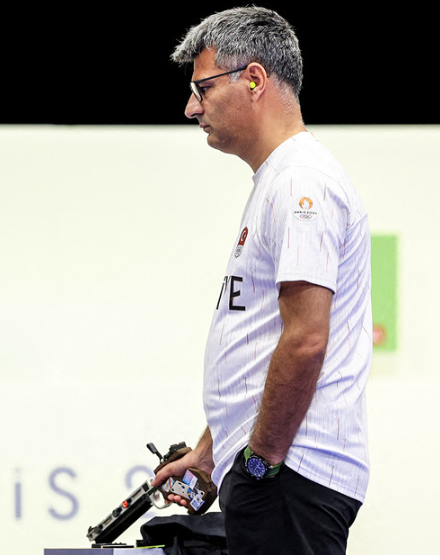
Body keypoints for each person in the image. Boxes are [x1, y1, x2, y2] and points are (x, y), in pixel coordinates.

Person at [151, 7, 372, 555]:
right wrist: (211, 454)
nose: (191, 107)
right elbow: (263, 346)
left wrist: (259, 461)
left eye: (203, 88)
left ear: (253, 79)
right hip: (278, 476)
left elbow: (306, 339)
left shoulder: (300, 181)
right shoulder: (280, 180)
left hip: (288, 475)